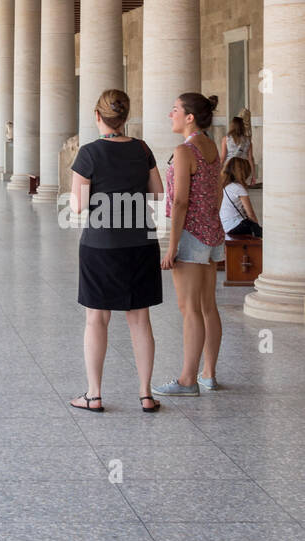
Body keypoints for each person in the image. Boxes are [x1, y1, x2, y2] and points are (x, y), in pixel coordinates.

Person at [68, 90, 165, 414]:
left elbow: (79, 205)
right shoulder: (142, 148)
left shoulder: (89, 153)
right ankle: (146, 394)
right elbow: (158, 192)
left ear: (98, 116)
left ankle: (94, 395)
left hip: (101, 245)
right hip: (141, 243)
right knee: (140, 320)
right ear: (125, 118)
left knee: (96, 319)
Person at [155, 92, 224, 396]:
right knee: (208, 306)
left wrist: (172, 246)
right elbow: (216, 192)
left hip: (191, 234)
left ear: (189, 117)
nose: (170, 115)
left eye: (174, 110)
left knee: (189, 309)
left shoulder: (185, 151)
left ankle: (187, 380)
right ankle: (208, 373)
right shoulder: (210, 146)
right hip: (212, 231)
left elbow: (180, 201)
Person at [219, 155, 260, 237]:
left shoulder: (221, 186)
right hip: (235, 227)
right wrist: (257, 229)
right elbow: (251, 215)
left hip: (223, 227)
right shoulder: (238, 188)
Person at [219, 113, 256, 184]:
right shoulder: (248, 140)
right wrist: (253, 175)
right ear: (242, 126)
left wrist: (218, 171)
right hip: (243, 167)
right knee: (241, 187)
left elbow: (223, 157)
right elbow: (250, 158)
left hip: (229, 166)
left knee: (228, 188)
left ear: (232, 126)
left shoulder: (226, 139)